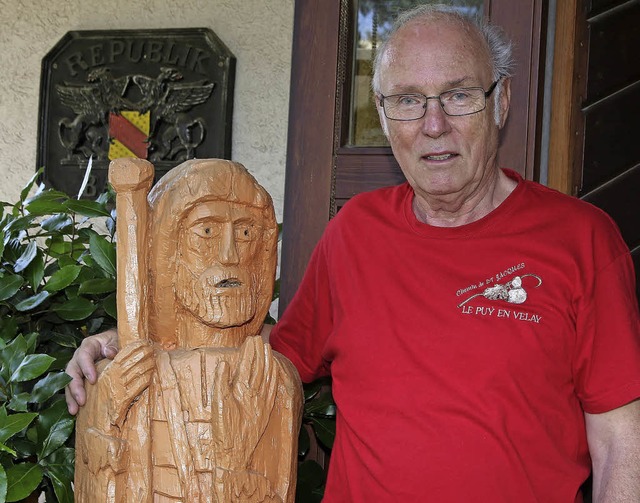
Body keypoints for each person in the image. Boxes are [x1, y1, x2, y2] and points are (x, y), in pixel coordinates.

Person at [66, 5, 640, 502]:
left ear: (501, 101)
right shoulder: (355, 233)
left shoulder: (581, 241)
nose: (433, 125)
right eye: (409, 101)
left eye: (458, 95)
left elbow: (621, 442)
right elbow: (274, 356)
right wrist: (135, 343)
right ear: (385, 117)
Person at [74, 158, 301, 503]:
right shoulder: (122, 378)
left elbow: (279, 487)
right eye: (206, 232)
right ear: (167, 250)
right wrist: (103, 414)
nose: (229, 256)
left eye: (245, 233)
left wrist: (234, 468)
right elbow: (97, 487)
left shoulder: (272, 378)